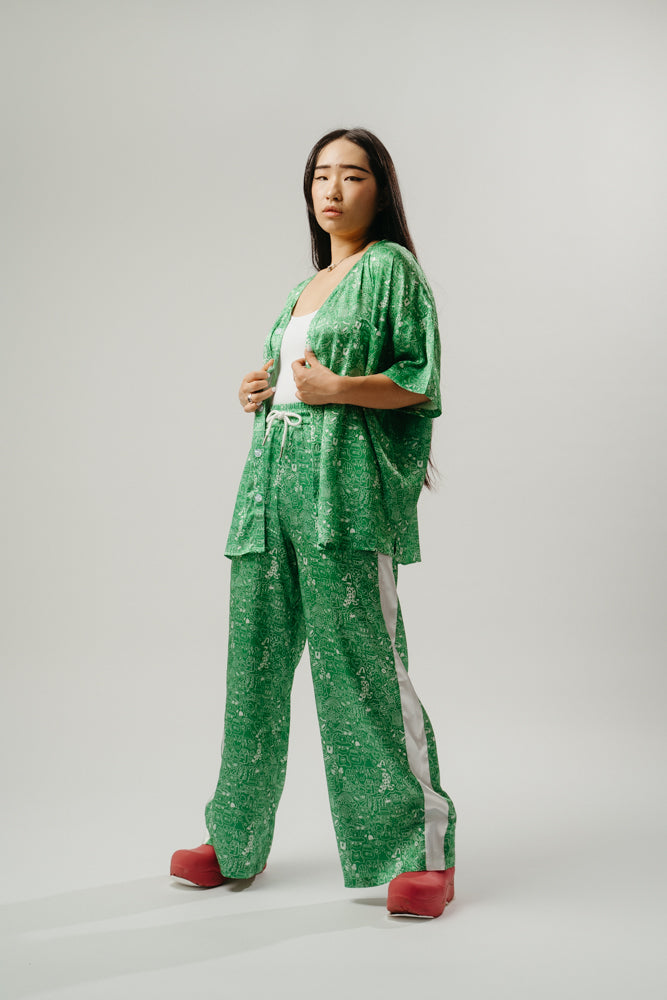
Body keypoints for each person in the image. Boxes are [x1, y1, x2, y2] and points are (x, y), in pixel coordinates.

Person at [170, 127, 457, 918]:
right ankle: (233, 838)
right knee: (251, 675)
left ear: (380, 190)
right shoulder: (307, 286)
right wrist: (261, 390)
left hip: (342, 498)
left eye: (352, 175)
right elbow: (301, 379)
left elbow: (419, 379)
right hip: (268, 492)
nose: (333, 189)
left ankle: (418, 852)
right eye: (321, 175)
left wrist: (339, 389)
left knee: (360, 672)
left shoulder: (390, 269)